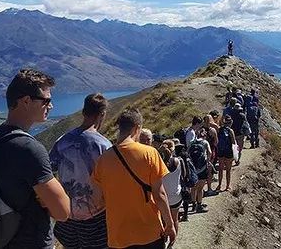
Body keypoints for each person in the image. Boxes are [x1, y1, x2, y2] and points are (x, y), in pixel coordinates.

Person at [0, 69, 71, 249]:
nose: (51, 106)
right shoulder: (29, 149)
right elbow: (63, 211)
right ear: (26, 101)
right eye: (46, 101)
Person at [92, 107, 175, 249]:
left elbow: (98, 200)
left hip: (118, 236)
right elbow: (160, 195)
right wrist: (170, 224)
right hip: (149, 233)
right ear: (137, 128)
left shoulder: (103, 160)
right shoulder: (150, 153)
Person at [50, 93, 111, 249]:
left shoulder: (62, 141)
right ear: (102, 114)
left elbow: (48, 173)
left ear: (84, 112)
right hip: (96, 215)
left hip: (67, 214)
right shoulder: (104, 146)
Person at [158, 142, 185, 236]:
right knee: (175, 219)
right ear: (172, 150)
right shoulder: (179, 161)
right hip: (176, 195)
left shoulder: (158, 165)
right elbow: (184, 175)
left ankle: (163, 239)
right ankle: (172, 241)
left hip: (162, 197)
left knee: (162, 220)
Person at [187, 127, 211, 212]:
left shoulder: (192, 142)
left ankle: (193, 205)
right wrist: (207, 161)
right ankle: (199, 205)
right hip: (202, 168)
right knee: (200, 188)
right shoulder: (205, 142)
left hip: (193, 168)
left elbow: (188, 153)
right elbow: (210, 152)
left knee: (194, 188)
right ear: (204, 135)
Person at [214, 115, 237, 192]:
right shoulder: (230, 131)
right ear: (230, 123)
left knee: (220, 169)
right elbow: (233, 142)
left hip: (221, 152)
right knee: (228, 170)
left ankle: (219, 185)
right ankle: (227, 186)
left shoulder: (219, 130)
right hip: (228, 153)